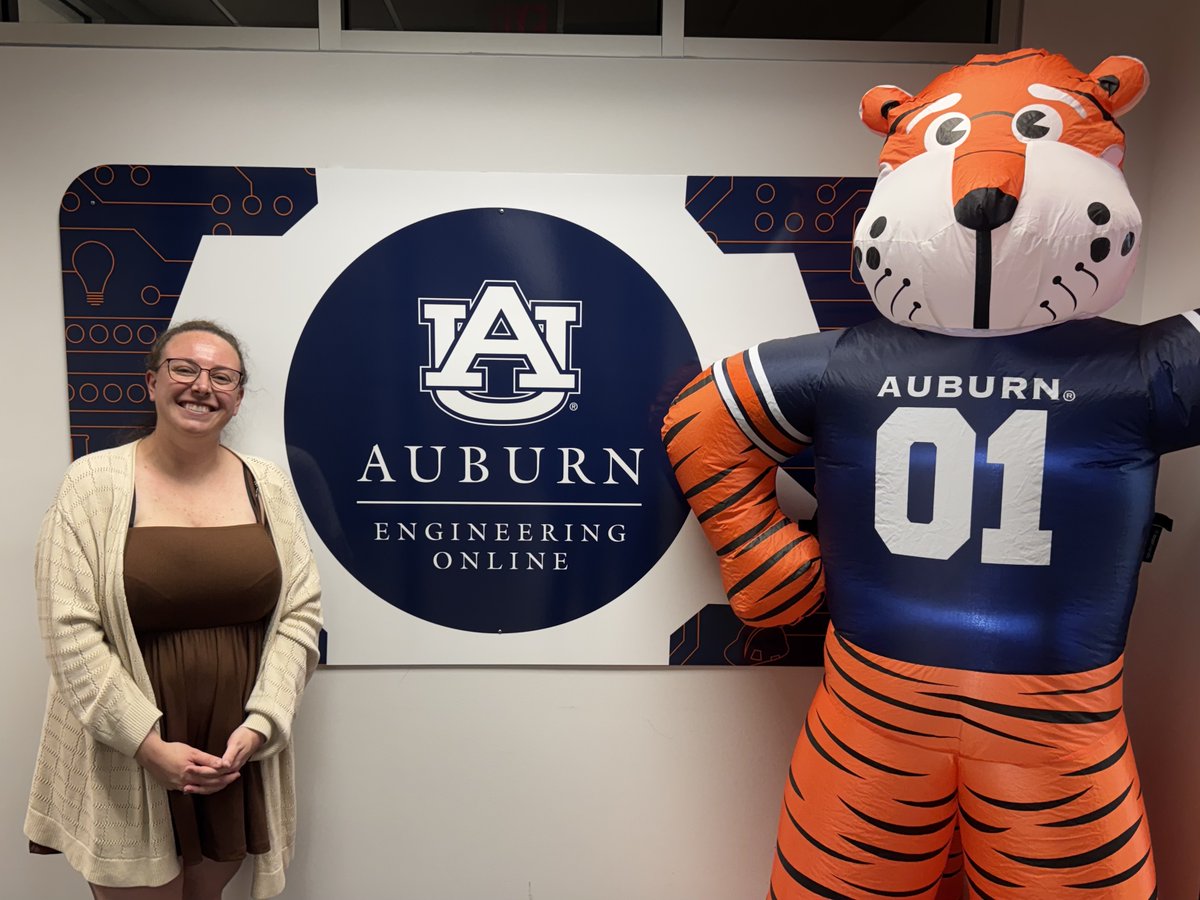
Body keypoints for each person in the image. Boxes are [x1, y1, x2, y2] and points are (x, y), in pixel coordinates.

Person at [25, 320, 323, 900]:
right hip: (127, 751)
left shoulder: (269, 486)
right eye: (184, 369)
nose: (201, 386)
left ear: (237, 399)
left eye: (222, 377)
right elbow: (68, 631)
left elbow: (300, 613)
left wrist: (262, 723)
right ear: (152, 383)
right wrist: (145, 743)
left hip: (230, 752)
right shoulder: (91, 485)